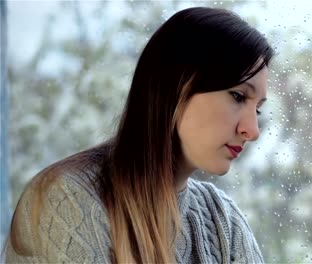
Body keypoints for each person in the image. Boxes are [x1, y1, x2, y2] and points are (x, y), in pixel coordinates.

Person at [4, 6, 274, 264]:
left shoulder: (222, 219)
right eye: (238, 96)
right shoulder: (69, 198)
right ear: (177, 87)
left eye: (258, 110)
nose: (252, 131)